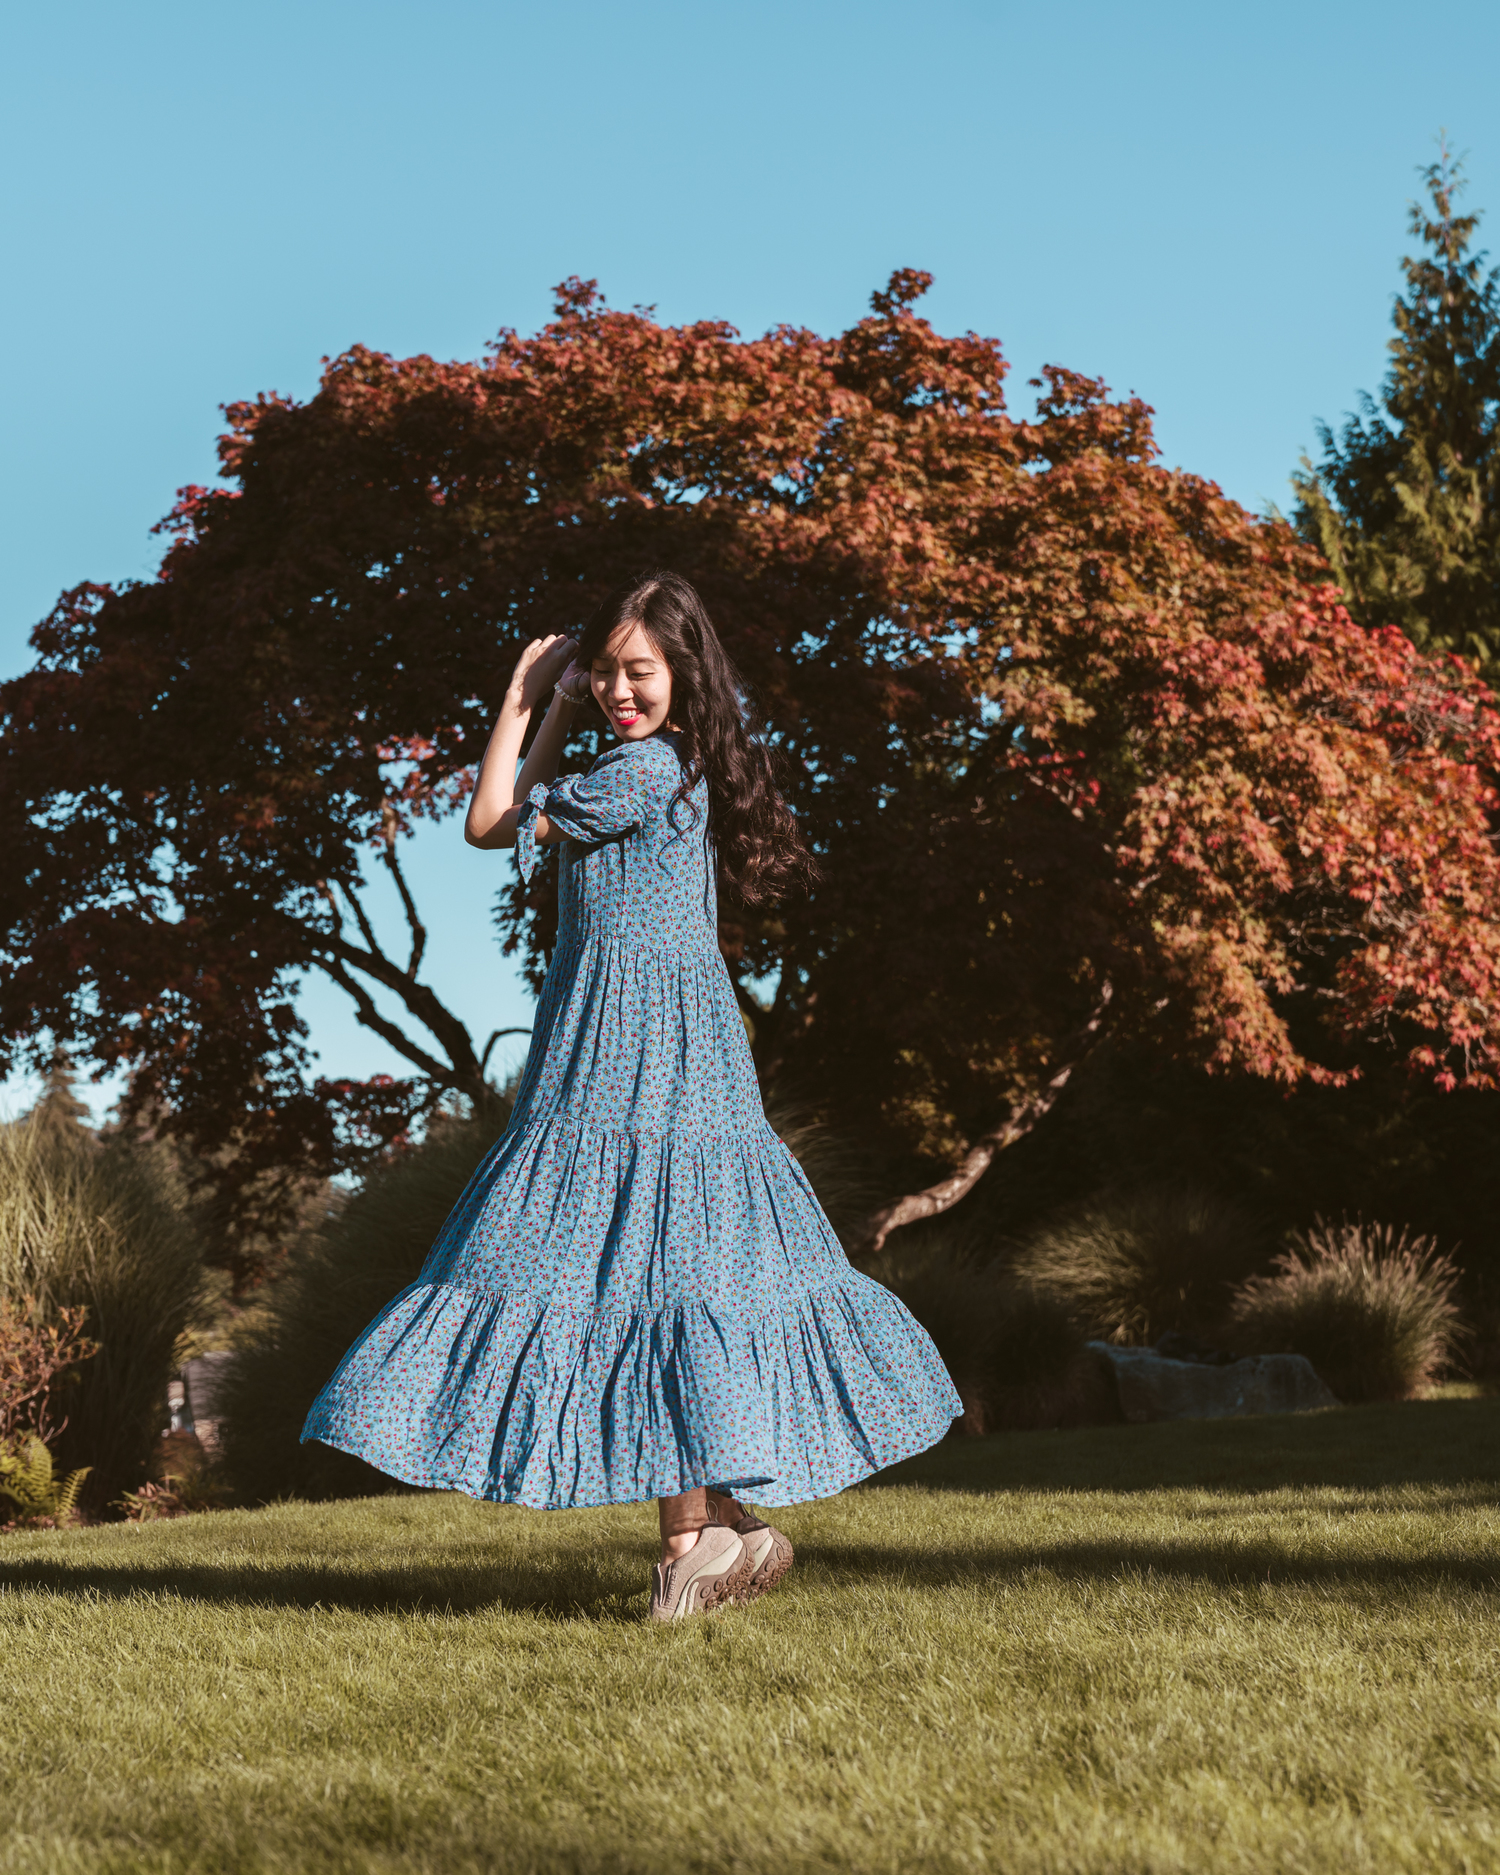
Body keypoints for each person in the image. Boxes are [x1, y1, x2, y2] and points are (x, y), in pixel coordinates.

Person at [302, 571, 961, 1619]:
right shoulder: (667, 764)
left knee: (638, 1266)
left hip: (636, 1047)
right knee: (672, 1264)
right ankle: (726, 1530)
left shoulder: (643, 772)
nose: (618, 691)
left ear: (683, 674)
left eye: (637, 671)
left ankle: (693, 1541)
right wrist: (568, 699)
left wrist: (529, 701)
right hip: (657, 1040)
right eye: (601, 673)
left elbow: (485, 823)